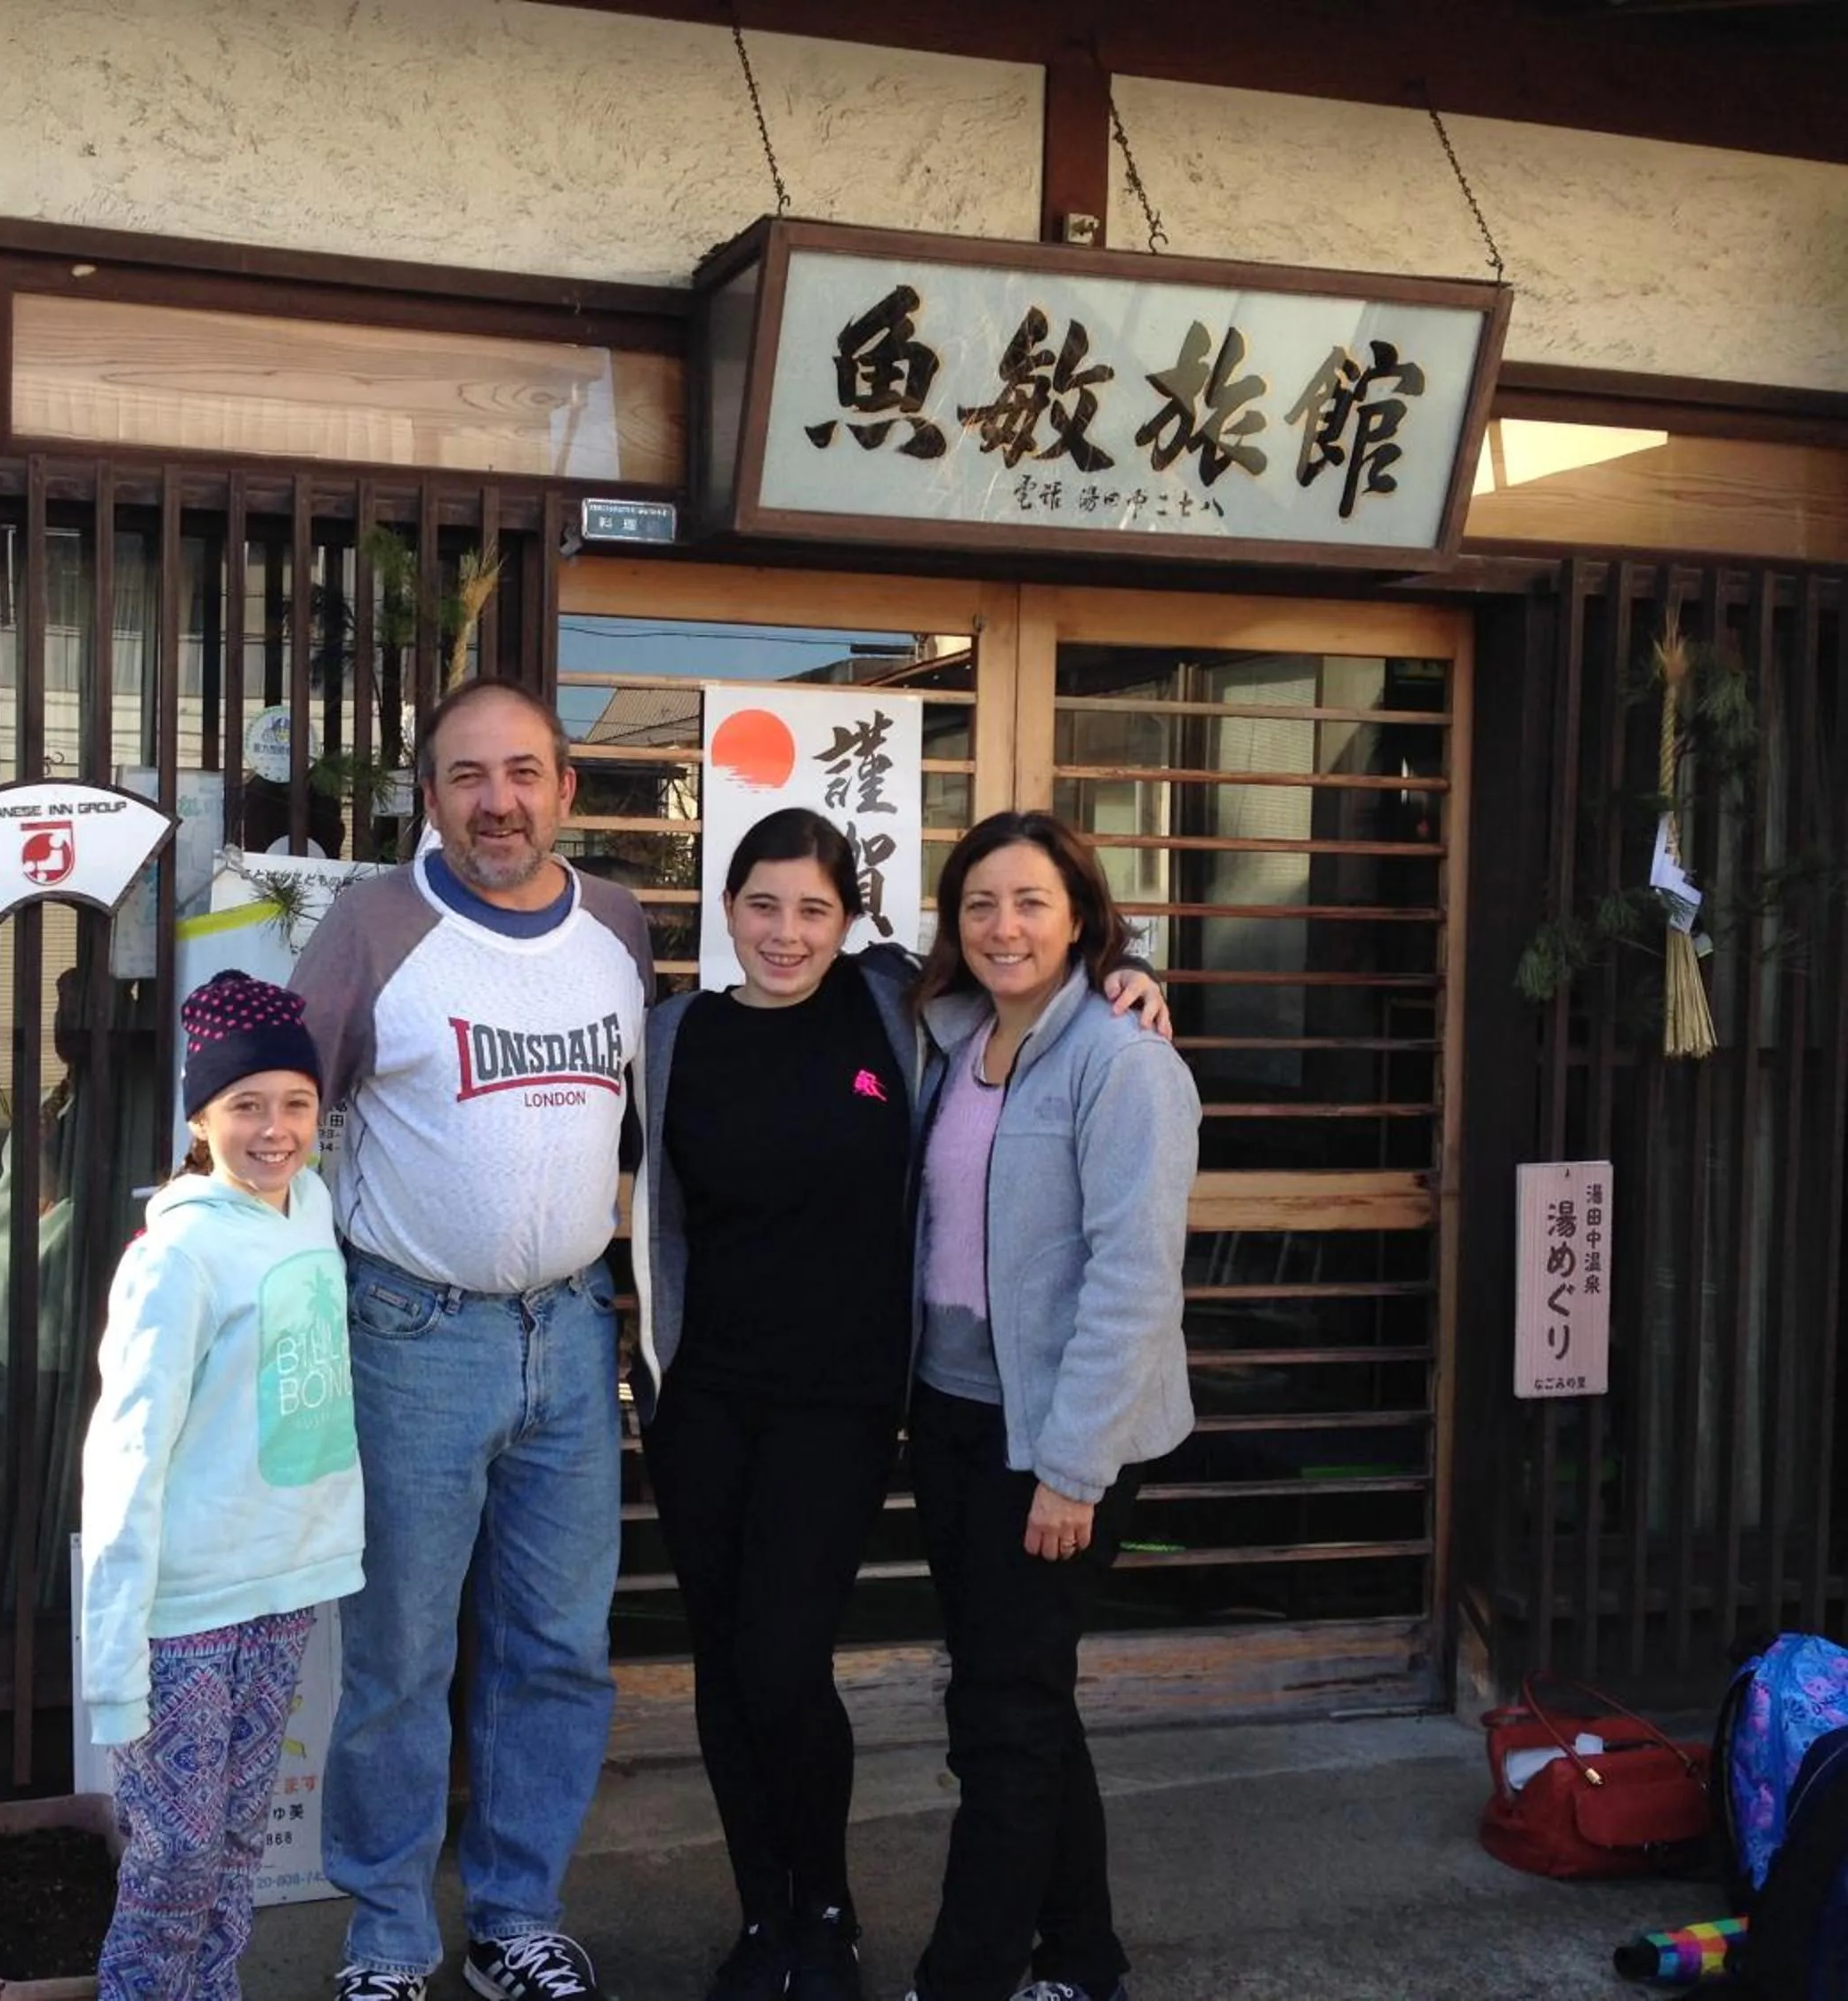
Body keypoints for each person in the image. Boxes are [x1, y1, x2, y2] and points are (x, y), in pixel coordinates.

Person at [631, 809, 1168, 2001]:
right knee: (732, 1668)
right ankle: (769, 1917)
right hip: (710, 1400)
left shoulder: (899, 1008)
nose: (784, 931)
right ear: (726, 909)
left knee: (795, 1659)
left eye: (813, 907)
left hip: (854, 1400)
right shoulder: (673, 1035)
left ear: (852, 919)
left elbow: (1048, 975)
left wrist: (1134, 971)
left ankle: (835, 1914)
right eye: (762, 905)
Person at [292, 677, 651, 2001]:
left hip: (570, 1334)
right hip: (412, 1333)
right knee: (401, 1653)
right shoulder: (374, 927)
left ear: (564, 784)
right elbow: (272, 1103)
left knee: (555, 1645)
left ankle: (515, 1914)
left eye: (522, 772)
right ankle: (386, 1929)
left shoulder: (618, 925)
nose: (497, 800)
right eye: (465, 776)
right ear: (427, 794)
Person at [902, 813, 1201, 2001]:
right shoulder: (950, 1034)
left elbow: (1134, 1277)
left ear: (1081, 913)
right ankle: (1083, 1961)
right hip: (956, 1413)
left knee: (1000, 1721)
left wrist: (1073, 1469)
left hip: (1064, 1435)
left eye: (1031, 900)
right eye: (980, 902)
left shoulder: (1124, 1061)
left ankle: (964, 1975)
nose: (1004, 925)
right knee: (1024, 1699)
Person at [78, 970, 366, 2001]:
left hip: (282, 1588)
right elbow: (126, 1454)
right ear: (202, 1117)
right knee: (174, 1855)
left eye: (295, 1103)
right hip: (186, 1608)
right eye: (246, 1106)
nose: (276, 1129)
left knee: (240, 1840)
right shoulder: (177, 1254)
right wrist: (113, 1654)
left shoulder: (312, 1209)